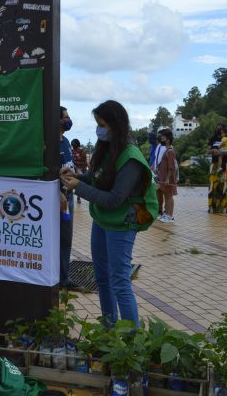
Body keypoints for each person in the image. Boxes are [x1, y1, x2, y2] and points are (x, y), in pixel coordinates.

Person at [60, 100, 158, 326]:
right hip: (102, 220)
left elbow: (114, 199)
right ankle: (109, 328)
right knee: (102, 278)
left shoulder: (131, 157)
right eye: (97, 124)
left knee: (120, 281)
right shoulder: (107, 150)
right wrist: (76, 176)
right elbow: (98, 178)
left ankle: (131, 337)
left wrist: (78, 187)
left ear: (116, 125)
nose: (99, 130)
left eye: (102, 125)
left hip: (122, 224)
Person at [58, 106, 78, 290]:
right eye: (66, 117)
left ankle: (64, 278)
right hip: (55, 198)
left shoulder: (66, 141)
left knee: (66, 238)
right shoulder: (48, 142)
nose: (69, 120)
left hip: (68, 197)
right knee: (53, 237)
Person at [207, 124, 227, 214]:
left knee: (225, 186)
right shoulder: (212, 138)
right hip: (214, 165)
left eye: (220, 128)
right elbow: (207, 151)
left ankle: (226, 207)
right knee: (213, 187)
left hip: (225, 165)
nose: (218, 129)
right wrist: (213, 150)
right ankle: (213, 207)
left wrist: (221, 153)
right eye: (217, 128)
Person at [156, 129, 177, 223]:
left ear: (168, 138)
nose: (161, 138)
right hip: (164, 178)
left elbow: (171, 167)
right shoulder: (167, 150)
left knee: (169, 196)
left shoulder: (170, 151)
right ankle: (167, 214)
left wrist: (168, 179)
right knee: (166, 196)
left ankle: (169, 216)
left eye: (163, 136)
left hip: (167, 179)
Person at [71, 138, 88, 203]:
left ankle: (78, 197)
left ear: (77, 144)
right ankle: (69, 196)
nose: (73, 146)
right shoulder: (71, 151)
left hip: (81, 169)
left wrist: (78, 164)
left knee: (79, 184)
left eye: (73, 144)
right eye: (72, 145)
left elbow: (85, 162)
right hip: (74, 169)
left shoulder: (82, 151)